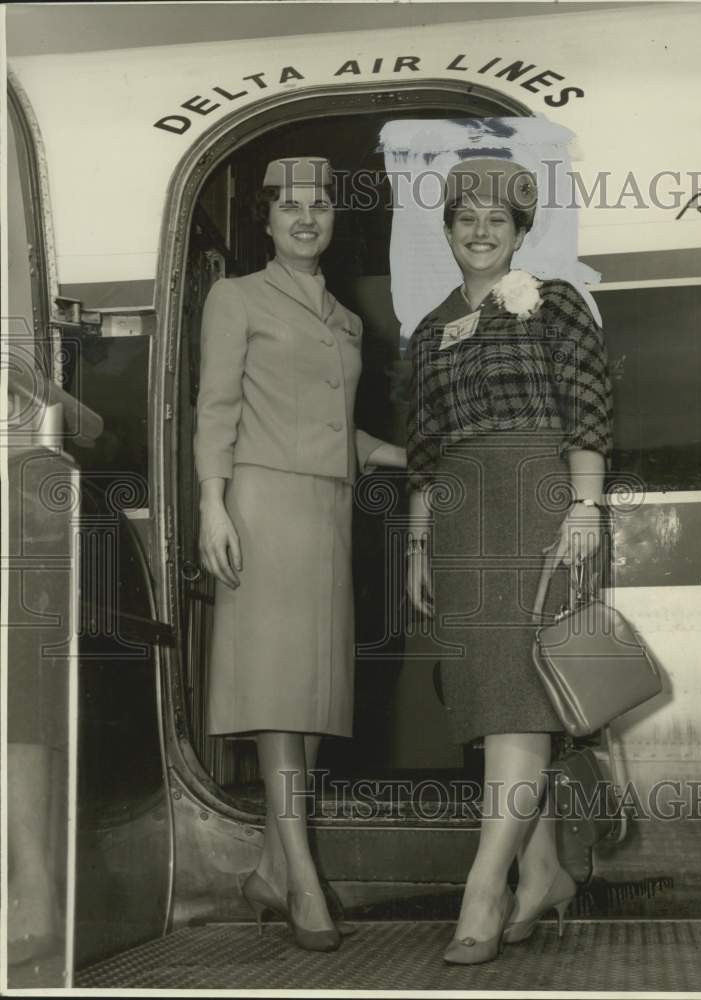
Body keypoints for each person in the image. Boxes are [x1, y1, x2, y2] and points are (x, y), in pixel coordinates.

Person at [195, 156, 405, 952]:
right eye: (291, 207)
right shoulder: (236, 296)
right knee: (282, 691)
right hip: (261, 501)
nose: (306, 218)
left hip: (326, 510)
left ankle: (275, 868)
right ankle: (302, 879)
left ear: (333, 218)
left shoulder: (345, 320)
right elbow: (216, 406)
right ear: (269, 218)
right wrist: (213, 501)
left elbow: (332, 431)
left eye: (320, 206)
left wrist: (405, 453)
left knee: (312, 695)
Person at [406, 157, 613, 965]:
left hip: (537, 498)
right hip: (460, 511)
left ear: (522, 230)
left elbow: (589, 405)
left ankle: (482, 887)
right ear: (449, 229)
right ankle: (546, 870)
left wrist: (585, 508)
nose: (480, 230)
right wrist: (418, 539)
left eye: (497, 219)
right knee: (487, 694)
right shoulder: (428, 329)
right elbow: (424, 445)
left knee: (518, 695)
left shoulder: (553, 300)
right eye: (466, 218)